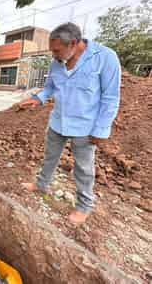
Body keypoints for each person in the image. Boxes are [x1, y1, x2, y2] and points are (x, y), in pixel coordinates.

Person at [19, 22, 121, 224]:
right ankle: (41, 185)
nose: (54, 55)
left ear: (73, 43)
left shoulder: (104, 58)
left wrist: (101, 129)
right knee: (50, 157)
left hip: (85, 127)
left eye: (56, 50)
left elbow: (111, 97)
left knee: (83, 167)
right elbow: (50, 87)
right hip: (58, 121)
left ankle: (83, 206)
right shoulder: (57, 61)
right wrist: (38, 99)